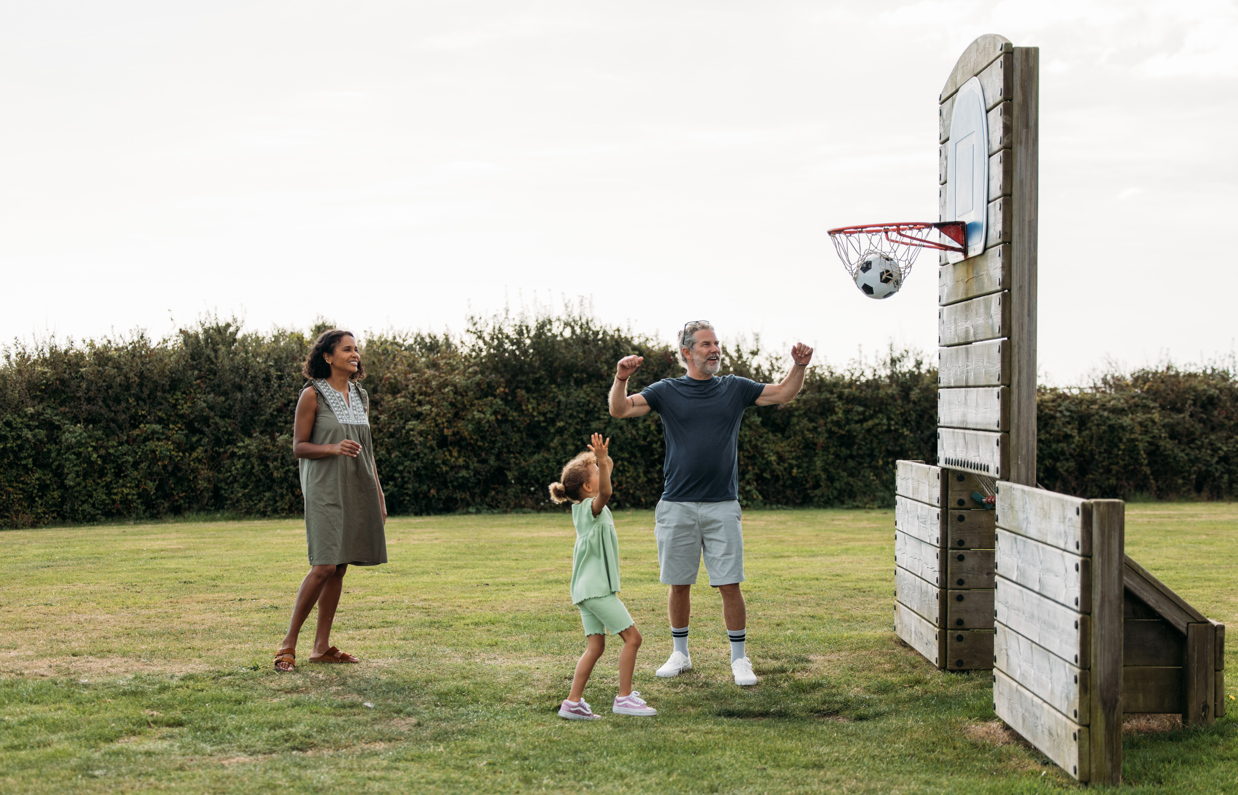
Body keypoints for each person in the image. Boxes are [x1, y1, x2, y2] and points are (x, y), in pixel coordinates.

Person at [608, 321, 813, 686]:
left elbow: (783, 394)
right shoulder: (666, 391)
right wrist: (621, 378)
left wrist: (798, 366)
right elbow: (620, 410)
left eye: (716, 343)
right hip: (676, 505)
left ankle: (739, 660)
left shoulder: (734, 388)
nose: (714, 349)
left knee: (730, 583)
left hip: (722, 504)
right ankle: (680, 654)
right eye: (705, 344)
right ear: (687, 352)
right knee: (678, 583)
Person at [274, 329, 388, 672]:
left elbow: (367, 451)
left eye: (356, 349)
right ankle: (287, 645)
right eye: (347, 349)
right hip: (324, 487)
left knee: (340, 565)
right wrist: (333, 448)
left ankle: (321, 647)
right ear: (328, 356)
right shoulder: (312, 395)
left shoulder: (360, 395)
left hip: (358, 486)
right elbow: (299, 447)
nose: (355, 354)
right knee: (324, 564)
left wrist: (379, 493)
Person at [550, 434, 656, 720]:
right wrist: (600, 461)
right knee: (633, 638)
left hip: (586, 591)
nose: (602, 471)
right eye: (596, 472)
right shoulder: (591, 508)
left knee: (595, 647)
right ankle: (623, 698)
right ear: (587, 487)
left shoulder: (584, 510)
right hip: (596, 591)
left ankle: (572, 703)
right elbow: (606, 492)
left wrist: (603, 459)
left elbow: (605, 483)